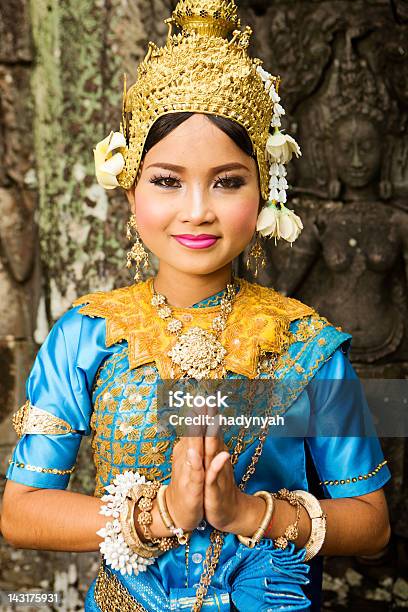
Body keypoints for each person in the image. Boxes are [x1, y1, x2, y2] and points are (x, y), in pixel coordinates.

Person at [1, 1, 391, 611]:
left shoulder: (306, 346)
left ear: (265, 188)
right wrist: (162, 512)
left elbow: (371, 525)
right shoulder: (87, 336)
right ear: (129, 188)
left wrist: (247, 512)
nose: (197, 210)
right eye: (167, 180)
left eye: (228, 181)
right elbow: (22, 512)